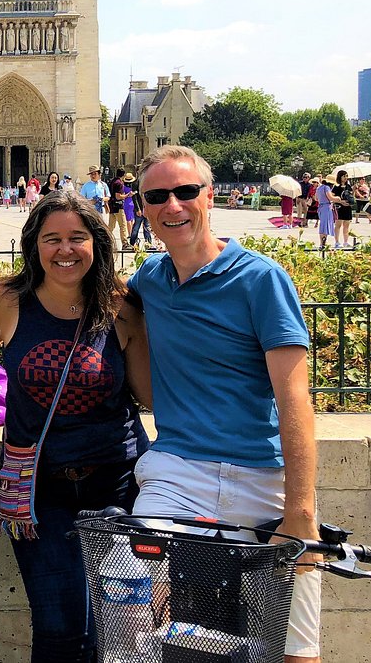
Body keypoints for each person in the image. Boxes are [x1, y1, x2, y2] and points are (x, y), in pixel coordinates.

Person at [126, 145, 321, 663]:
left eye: (186, 192)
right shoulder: (151, 279)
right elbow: (104, 300)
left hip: (262, 476)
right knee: (129, 614)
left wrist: (300, 511)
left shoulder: (261, 280)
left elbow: (294, 397)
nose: (173, 205)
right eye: (157, 196)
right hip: (178, 472)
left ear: (208, 196)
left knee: (295, 645)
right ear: (142, 207)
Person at [0, 191, 151, 663]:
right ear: (33, 245)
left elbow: (147, 394)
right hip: (39, 486)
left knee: (123, 631)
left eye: (77, 238)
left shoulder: (119, 304)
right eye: (52, 238)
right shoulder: (5, 300)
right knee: (59, 631)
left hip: (117, 481)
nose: (65, 249)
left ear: (96, 244)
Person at [333, 170, 354, 248]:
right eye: (344, 176)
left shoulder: (348, 187)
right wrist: (341, 201)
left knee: (346, 225)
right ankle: (337, 241)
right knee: (338, 225)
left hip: (347, 207)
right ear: (340, 177)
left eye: (346, 176)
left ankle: (346, 241)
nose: (345, 178)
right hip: (340, 207)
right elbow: (332, 197)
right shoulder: (336, 186)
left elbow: (351, 197)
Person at [315, 176, 336, 250]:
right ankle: (322, 243)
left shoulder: (319, 188)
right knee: (325, 226)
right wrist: (338, 199)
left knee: (323, 225)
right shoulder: (327, 188)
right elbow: (331, 198)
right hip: (326, 207)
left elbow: (316, 198)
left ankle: (322, 242)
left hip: (320, 207)